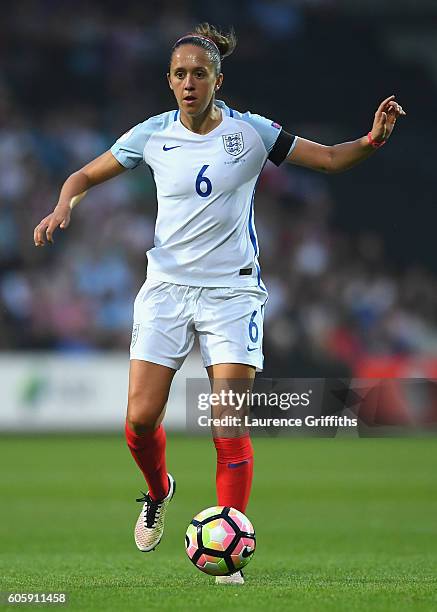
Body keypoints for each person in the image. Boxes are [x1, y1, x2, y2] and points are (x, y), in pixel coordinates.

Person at [33, 23, 406, 585]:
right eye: (180, 74)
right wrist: (64, 205)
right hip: (165, 291)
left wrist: (371, 141)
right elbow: (84, 173)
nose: (188, 82)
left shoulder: (250, 132)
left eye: (199, 74)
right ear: (168, 81)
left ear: (217, 79)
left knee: (227, 423)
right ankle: (159, 490)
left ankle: (230, 548)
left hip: (232, 293)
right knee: (139, 421)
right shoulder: (152, 135)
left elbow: (328, 158)